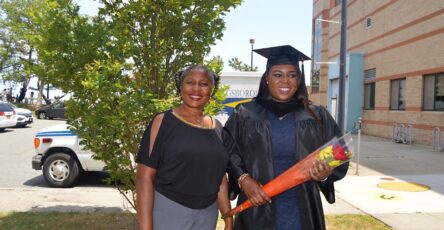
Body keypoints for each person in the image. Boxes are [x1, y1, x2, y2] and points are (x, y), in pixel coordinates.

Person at [223, 45, 349, 230]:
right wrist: (243, 179)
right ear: (267, 78)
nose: (285, 81)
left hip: (302, 211)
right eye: (277, 74)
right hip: (256, 209)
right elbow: (226, 149)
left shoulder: (316, 115)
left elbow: (339, 154)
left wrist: (325, 173)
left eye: (292, 75)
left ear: (299, 80)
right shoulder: (246, 113)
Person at [136, 64, 233, 230]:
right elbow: (144, 177)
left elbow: (220, 178)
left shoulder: (217, 128)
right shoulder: (163, 121)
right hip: (170, 209)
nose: (196, 89)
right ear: (180, 87)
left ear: (211, 91)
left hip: (207, 214)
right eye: (190, 82)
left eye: (204, 84)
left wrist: (228, 218)